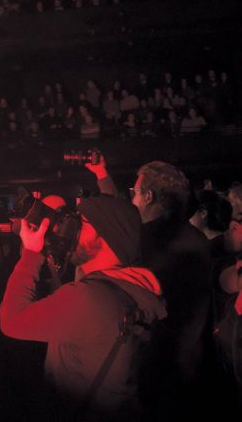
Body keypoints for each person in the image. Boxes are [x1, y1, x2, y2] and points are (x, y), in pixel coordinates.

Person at [0, 195, 166, 418]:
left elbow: (12, 321)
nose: (69, 230)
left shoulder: (90, 297)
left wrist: (31, 254)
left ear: (108, 237)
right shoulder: (130, 286)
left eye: (80, 223)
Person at [85, 155, 211, 415]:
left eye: (134, 192)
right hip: (190, 363)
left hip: (151, 368)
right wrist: (102, 174)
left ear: (149, 197)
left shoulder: (145, 240)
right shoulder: (198, 239)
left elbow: (117, 223)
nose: (131, 199)